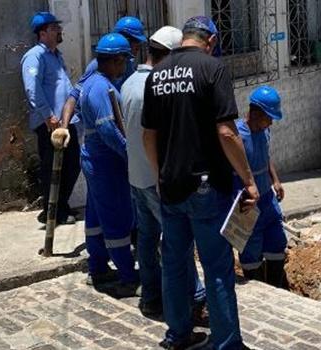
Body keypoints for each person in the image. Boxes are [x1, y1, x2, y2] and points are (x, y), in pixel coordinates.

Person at [142, 16, 259, 350]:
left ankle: (177, 335)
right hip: (207, 186)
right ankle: (226, 344)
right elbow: (226, 131)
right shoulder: (212, 68)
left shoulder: (158, 73)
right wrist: (249, 181)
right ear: (211, 41)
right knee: (217, 268)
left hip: (171, 186)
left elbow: (148, 135)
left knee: (175, 264)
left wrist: (159, 175)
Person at [120, 26, 208, 322]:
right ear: (169, 55)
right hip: (157, 179)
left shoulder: (128, 82)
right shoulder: (157, 85)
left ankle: (150, 298)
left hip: (136, 175)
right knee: (177, 243)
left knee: (146, 240)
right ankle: (194, 298)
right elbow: (157, 136)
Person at [79, 33, 138, 296]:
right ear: (115, 60)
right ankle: (128, 275)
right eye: (124, 60)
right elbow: (109, 131)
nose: (125, 65)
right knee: (116, 217)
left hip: (95, 160)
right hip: (106, 162)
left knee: (96, 216)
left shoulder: (92, 83)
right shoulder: (102, 89)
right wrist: (130, 154)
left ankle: (98, 266)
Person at [21, 12, 80, 225]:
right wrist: (48, 116)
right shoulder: (34, 56)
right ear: (43, 32)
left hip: (65, 122)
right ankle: (52, 211)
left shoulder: (56, 56)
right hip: (50, 123)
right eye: (54, 28)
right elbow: (32, 88)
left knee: (72, 165)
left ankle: (58, 206)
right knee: (51, 167)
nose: (59, 31)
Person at [54, 16, 147, 141]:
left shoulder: (128, 64)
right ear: (125, 38)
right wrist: (64, 128)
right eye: (136, 42)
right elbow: (73, 96)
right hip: (98, 130)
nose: (138, 47)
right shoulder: (98, 68)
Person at [234, 86, 288, 289]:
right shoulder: (237, 136)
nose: (271, 122)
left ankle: (277, 288)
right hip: (248, 204)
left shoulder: (264, 131)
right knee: (251, 250)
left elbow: (266, 157)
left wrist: (275, 179)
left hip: (267, 199)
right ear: (256, 114)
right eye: (269, 118)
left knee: (277, 243)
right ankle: (258, 288)